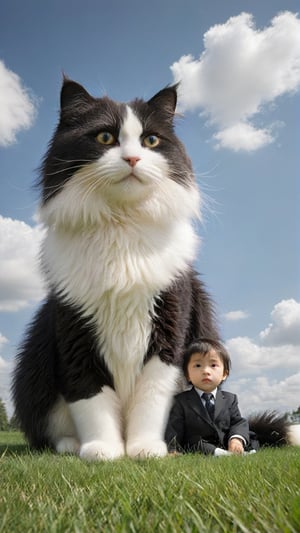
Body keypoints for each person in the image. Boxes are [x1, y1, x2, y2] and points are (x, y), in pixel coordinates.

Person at [165, 338, 259, 456]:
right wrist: (172, 449)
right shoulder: (180, 401)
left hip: (225, 442)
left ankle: (241, 450)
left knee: (251, 436)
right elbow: (174, 428)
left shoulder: (230, 399)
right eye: (198, 365)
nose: (205, 371)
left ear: (224, 374)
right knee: (194, 443)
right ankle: (223, 455)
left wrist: (236, 439)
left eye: (213, 365)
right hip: (199, 445)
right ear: (187, 375)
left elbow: (237, 422)